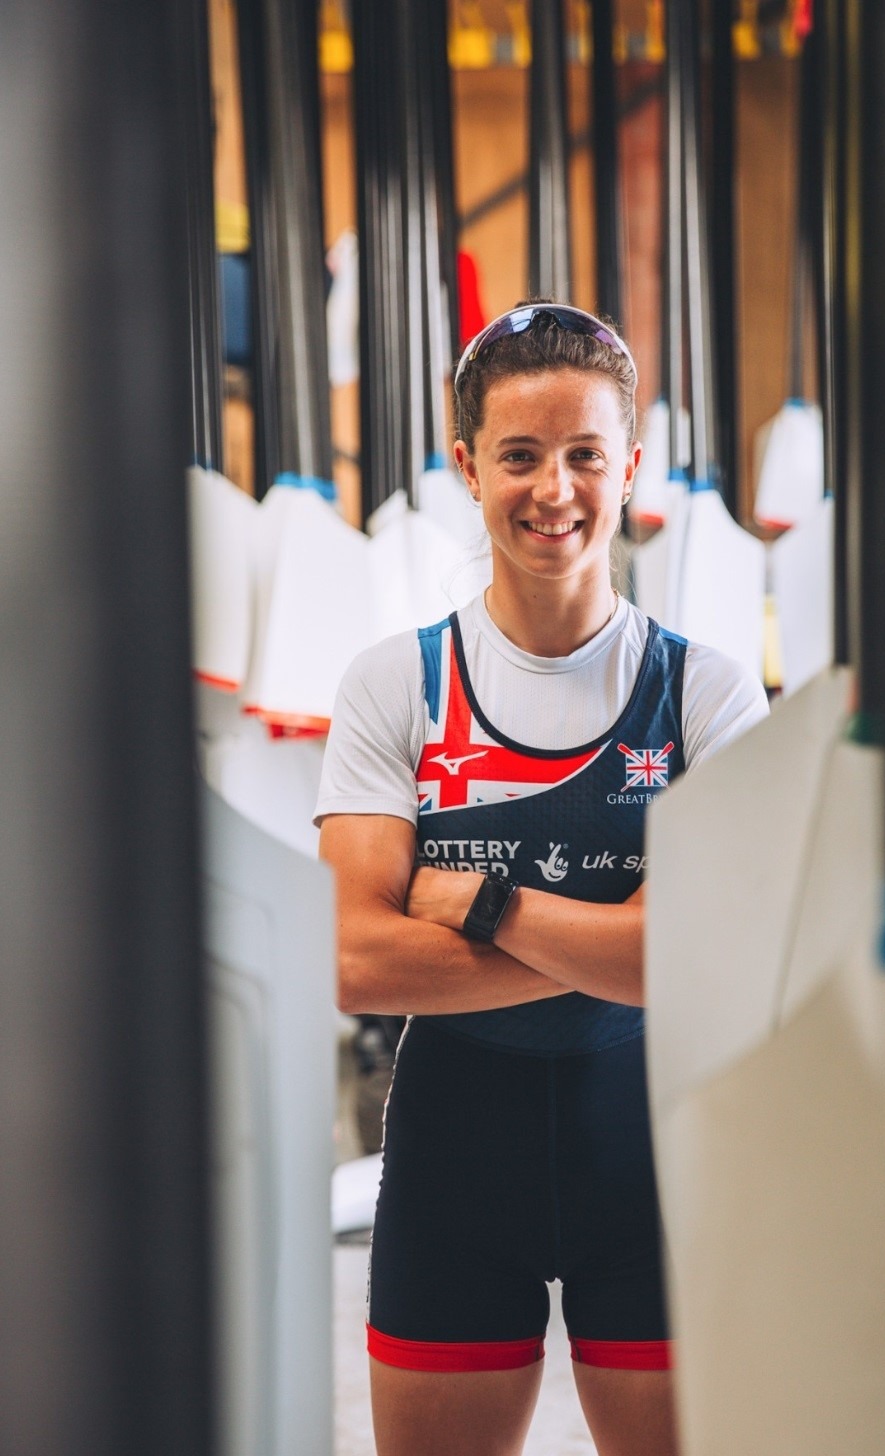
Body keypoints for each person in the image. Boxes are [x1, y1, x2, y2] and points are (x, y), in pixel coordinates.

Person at [316, 302, 768, 1453]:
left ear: (629, 465)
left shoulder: (707, 694)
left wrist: (481, 901)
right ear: (468, 465)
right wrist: (624, 947)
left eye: (582, 454)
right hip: (453, 1165)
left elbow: (713, 964)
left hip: (654, 1157)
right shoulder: (395, 685)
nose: (552, 490)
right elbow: (355, 961)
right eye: (518, 455)